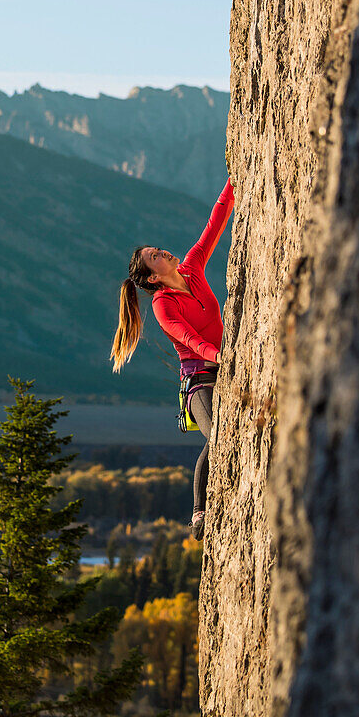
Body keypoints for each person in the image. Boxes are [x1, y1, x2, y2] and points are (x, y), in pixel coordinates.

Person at [110, 178, 234, 540]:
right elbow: (189, 340)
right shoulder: (163, 305)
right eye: (155, 257)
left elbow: (214, 224)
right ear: (152, 276)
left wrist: (232, 180)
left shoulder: (193, 269)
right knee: (219, 435)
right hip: (199, 383)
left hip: (223, 364)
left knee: (223, 435)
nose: (163, 253)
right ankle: (199, 512)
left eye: (159, 249)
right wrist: (222, 357)